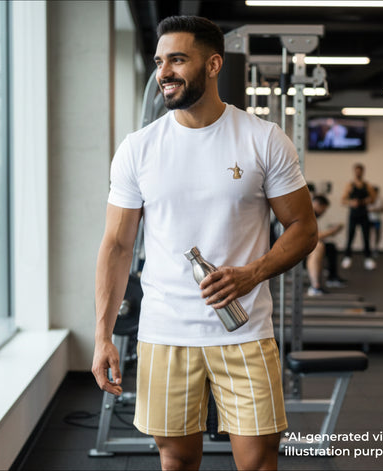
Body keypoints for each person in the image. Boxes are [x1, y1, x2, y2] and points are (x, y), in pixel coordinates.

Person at [91, 15, 317, 471]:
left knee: (257, 460)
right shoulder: (138, 148)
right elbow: (117, 245)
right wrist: (103, 336)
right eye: (159, 61)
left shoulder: (263, 139)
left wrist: (252, 273)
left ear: (213, 64)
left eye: (178, 59)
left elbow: (304, 229)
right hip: (165, 330)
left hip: (245, 332)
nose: (164, 72)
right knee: (175, 458)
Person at [305, 193, 346, 296]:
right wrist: (332, 231)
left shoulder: (311, 215)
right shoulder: (306, 214)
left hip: (302, 244)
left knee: (330, 246)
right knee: (318, 246)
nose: (324, 212)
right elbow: (312, 236)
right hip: (291, 247)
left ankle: (331, 277)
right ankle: (315, 287)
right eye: (323, 209)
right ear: (318, 205)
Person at [340, 163, 376, 270]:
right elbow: (343, 200)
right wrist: (351, 202)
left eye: (360, 171)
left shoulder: (367, 185)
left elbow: (373, 199)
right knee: (350, 236)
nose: (358, 173)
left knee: (366, 237)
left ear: (363, 172)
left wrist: (367, 201)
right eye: (357, 171)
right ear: (354, 172)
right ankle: (347, 257)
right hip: (353, 214)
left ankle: (368, 258)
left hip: (364, 213)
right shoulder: (350, 185)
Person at [367, 186, 383, 258]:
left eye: (375, 192)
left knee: (377, 234)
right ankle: (368, 249)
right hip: (368, 220)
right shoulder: (367, 199)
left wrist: (375, 210)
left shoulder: (381, 199)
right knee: (367, 234)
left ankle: (375, 249)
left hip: (377, 220)